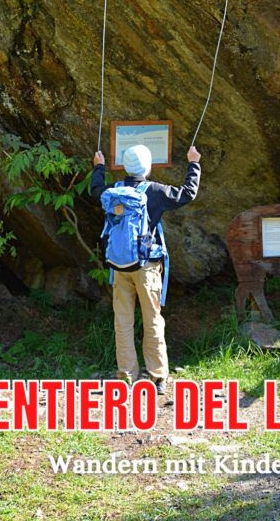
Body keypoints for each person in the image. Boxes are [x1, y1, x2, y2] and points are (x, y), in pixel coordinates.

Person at [91, 144, 201, 394]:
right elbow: (187, 194)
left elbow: (95, 190)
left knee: (123, 320)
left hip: (119, 266)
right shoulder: (155, 191)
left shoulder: (114, 191)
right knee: (152, 320)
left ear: (126, 167)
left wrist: (98, 166)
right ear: (148, 167)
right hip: (147, 266)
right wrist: (193, 163)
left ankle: (126, 375)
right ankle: (157, 376)